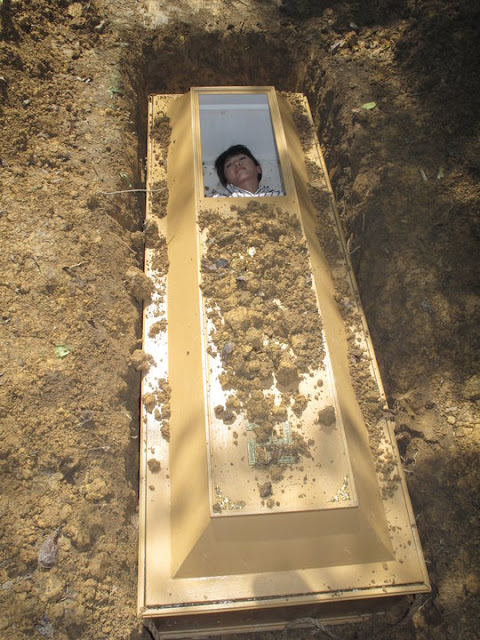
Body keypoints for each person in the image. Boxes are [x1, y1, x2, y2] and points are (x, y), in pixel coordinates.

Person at [212, 144, 284, 197]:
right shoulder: (216, 202)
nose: (237, 163)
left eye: (242, 158)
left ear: (258, 169)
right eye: (229, 165)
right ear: (226, 182)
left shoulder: (281, 197)